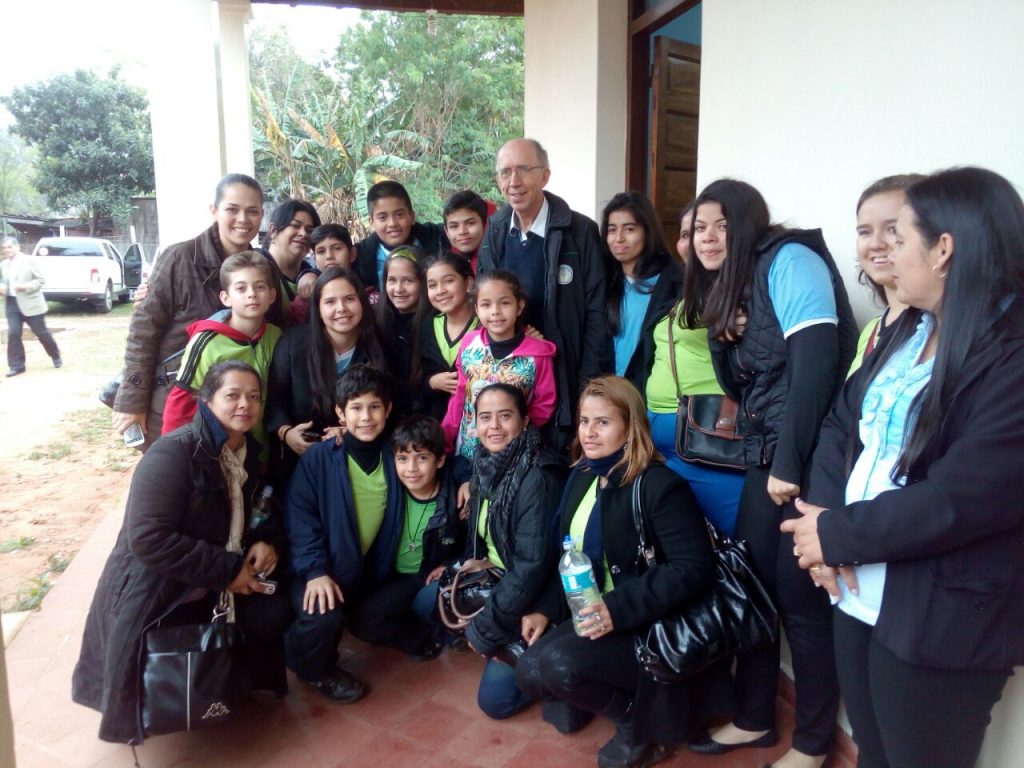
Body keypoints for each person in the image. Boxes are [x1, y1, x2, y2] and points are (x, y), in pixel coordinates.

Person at [785, 167, 1024, 768]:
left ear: (943, 249)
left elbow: (964, 496)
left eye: (900, 234)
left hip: (939, 612)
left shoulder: (1012, 352)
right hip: (856, 586)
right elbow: (843, 423)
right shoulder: (911, 327)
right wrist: (822, 523)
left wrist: (835, 534)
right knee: (874, 750)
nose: (885, 250)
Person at [683, 179, 856, 768]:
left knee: (800, 600)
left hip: (810, 455)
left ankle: (813, 742)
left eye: (721, 225)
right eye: (699, 227)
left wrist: (789, 463)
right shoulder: (731, 286)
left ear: (748, 225)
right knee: (752, 584)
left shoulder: (791, 260)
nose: (708, 237)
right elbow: (738, 386)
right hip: (765, 453)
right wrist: (725, 334)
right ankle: (756, 716)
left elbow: (817, 367)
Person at [73, 361, 291, 744]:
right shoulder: (172, 454)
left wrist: (265, 539)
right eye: (233, 395)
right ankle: (165, 699)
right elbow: (149, 538)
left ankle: (230, 683)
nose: (245, 404)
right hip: (158, 586)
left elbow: (255, 510)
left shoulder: (247, 452)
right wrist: (229, 571)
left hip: (212, 576)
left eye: (254, 396)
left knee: (275, 610)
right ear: (207, 400)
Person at [517, 375, 714, 768]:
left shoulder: (659, 486)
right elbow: (566, 553)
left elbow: (693, 567)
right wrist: (545, 608)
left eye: (603, 422)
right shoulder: (583, 475)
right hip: (591, 611)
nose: (589, 432)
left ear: (630, 426)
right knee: (528, 671)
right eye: (584, 421)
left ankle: (639, 723)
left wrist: (618, 608)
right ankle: (599, 691)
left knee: (557, 666)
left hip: (642, 622)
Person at [283, 365, 439, 701]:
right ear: (340, 413)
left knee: (369, 619)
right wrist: (316, 571)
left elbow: (437, 460)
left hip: (371, 573)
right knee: (323, 615)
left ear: (388, 409)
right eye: (355, 408)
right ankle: (316, 671)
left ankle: (428, 636)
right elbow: (301, 519)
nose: (366, 417)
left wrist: (465, 481)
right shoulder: (320, 459)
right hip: (322, 570)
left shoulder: (395, 454)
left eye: (374, 407)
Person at [113, 173, 264, 451]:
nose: (243, 219)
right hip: (176, 402)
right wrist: (132, 401)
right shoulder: (179, 258)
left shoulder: (262, 268)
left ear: (262, 215)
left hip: (236, 409)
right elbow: (143, 332)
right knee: (174, 473)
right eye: (232, 209)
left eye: (252, 211)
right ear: (214, 211)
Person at [478, 138, 610, 448]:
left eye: (524, 169)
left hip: (567, 374)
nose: (514, 181)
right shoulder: (495, 231)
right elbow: (486, 306)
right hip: (512, 381)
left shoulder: (580, 231)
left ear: (545, 176)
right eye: (505, 172)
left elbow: (597, 312)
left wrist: (588, 385)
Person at [638, 203, 745, 536]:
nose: (695, 240)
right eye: (689, 233)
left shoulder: (736, 290)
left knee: (733, 538)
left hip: (706, 439)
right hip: (662, 443)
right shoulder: (686, 292)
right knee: (686, 541)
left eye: (715, 228)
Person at [461, 383, 566, 719]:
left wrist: (484, 630)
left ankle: (555, 678)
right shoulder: (484, 463)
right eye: (485, 417)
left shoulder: (537, 477)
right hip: (497, 578)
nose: (494, 426)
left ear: (524, 421)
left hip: (535, 594)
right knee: (428, 600)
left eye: (505, 416)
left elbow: (531, 568)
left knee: (495, 702)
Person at [265, 267, 388, 485]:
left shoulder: (380, 346)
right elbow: (273, 402)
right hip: (301, 462)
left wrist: (353, 428)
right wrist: (286, 433)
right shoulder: (293, 343)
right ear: (318, 309)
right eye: (330, 302)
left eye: (349, 299)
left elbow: (391, 406)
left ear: (362, 302)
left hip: (360, 461)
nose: (341, 308)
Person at [161, 251, 281, 442]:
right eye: (241, 288)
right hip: (217, 446)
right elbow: (182, 400)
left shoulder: (277, 336)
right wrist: (173, 450)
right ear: (225, 298)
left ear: (272, 294)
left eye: (259, 287)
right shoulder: (207, 342)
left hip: (261, 447)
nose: (251, 294)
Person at [442, 270, 556, 461]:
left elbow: (545, 404)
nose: (495, 311)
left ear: (519, 306)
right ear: (476, 309)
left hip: (513, 454)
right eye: (486, 304)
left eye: (504, 303)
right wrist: (445, 437)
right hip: (468, 451)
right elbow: (460, 393)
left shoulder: (538, 354)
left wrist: (517, 430)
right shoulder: (469, 344)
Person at [389, 414, 466, 646]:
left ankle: (441, 629)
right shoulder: (390, 490)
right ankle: (426, 634)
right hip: (395, 577)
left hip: (431, 575)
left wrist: (451, 565)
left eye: (422, 458)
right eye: (403, 459)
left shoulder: (456, 496)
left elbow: (472, 544)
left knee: (426, 601)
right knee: (366, 620)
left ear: (440, 460)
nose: (411, 468)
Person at [848, 174, 925, 375]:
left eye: (893, 229)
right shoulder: (871, 330)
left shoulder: (939, 328)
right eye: (865, 232)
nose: (876, 244)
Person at [600, 192, 682, 381]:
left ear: (647, 232)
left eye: (629, 229)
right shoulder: (604, 281)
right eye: (612, 230)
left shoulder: (672, 282)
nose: (619, 238)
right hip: (612, 389)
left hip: (652, 388)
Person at [354, 180, 447, 291]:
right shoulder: (360, 257)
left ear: (412, 216)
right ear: (372, 223)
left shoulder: (438, 238)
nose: (392, 223)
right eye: (382, 217)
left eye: (399, 215)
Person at [420, 251, 478, 421]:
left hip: (478, 422)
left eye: (449, 281)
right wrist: (431, 383)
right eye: (432, 285)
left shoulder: (486, 325)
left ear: (468, 283)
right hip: (436, 424)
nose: (440, 291)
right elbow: (414, 381)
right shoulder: (426, 326)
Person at [375, 246, 428, 411]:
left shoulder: (434, 324)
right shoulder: (376, 321)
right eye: (392, 280)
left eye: (408, 281)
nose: (398, 289)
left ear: (423, 282)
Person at [1, 234, 61, 376]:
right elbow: (2, 281)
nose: (7, 250)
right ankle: (17, 366)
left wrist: (25, 286)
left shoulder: (29, 260)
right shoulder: (3, 265)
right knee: (13, 333)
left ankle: (55, 355)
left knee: (41, 333)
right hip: (12, 303)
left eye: (10, 247)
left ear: (17, 247)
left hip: (31, 303)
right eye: (4, 248)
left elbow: (40, 280)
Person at [261, 198, 320, 324]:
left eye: (309, 230)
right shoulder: (253, 267)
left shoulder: (315, 277)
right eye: (295, 225)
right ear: (273, 230)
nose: (303, 234)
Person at [443, 189, 494, 273]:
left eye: (470, 223)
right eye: (454, 226)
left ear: (485, 224)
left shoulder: (501, 259)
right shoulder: (446, 267)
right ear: (446, 232)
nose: (462, 231)